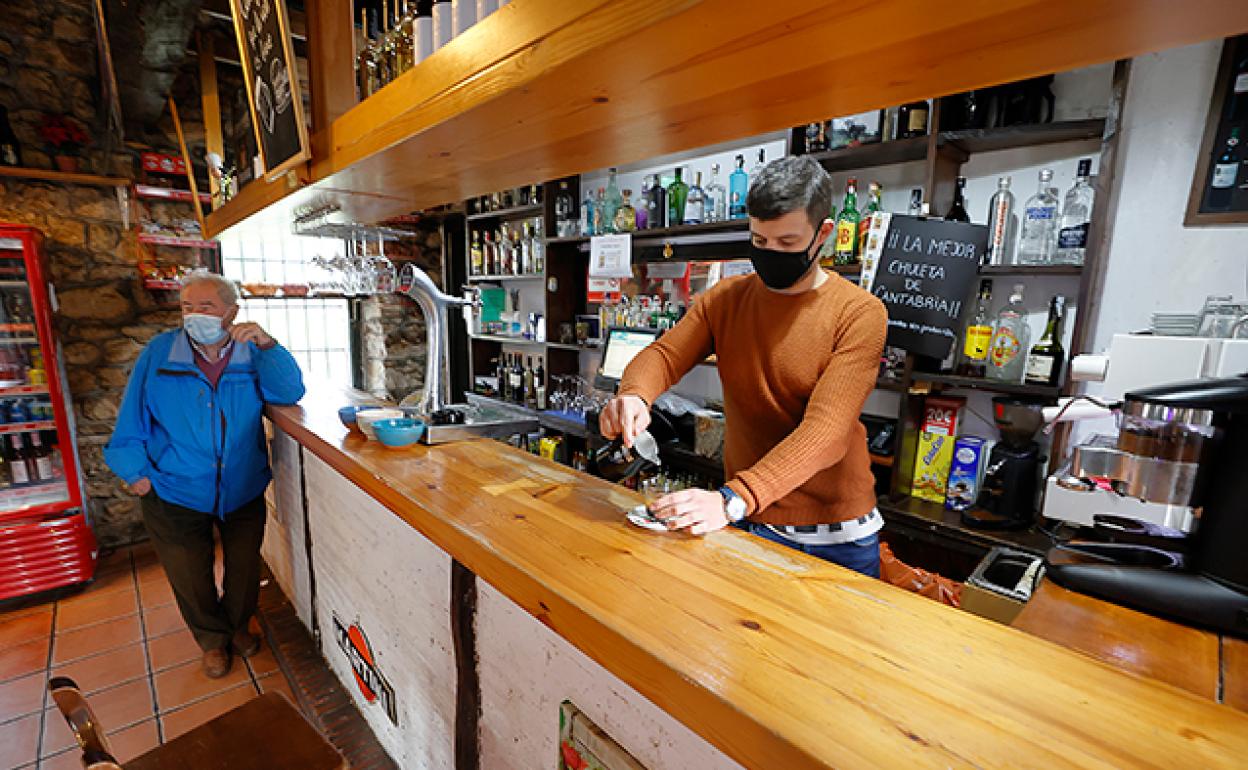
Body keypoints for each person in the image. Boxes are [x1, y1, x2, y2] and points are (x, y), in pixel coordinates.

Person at [599, 156, 888, 577]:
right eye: (759, 240)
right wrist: (633, 395)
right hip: (750, 519)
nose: (770, 254)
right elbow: (663, 356)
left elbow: (826, 433)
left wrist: (733, 498)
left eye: (787, 244)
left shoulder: (859, 314)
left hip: (835, 538)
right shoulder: (727, 299)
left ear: (823, 234)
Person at [105, 272, 305, 677]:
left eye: (206, 306)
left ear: (232, 311)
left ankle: (236, 626)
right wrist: (135, 473)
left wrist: (270, 346)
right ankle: (213, 641)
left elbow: (288, 392)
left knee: (245, 569)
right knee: (191, 577)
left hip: (243, 485)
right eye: (186, 306)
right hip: (174, 488)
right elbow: (131, 419)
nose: (194, 314)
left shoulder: (252, 352)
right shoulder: (160, 354)